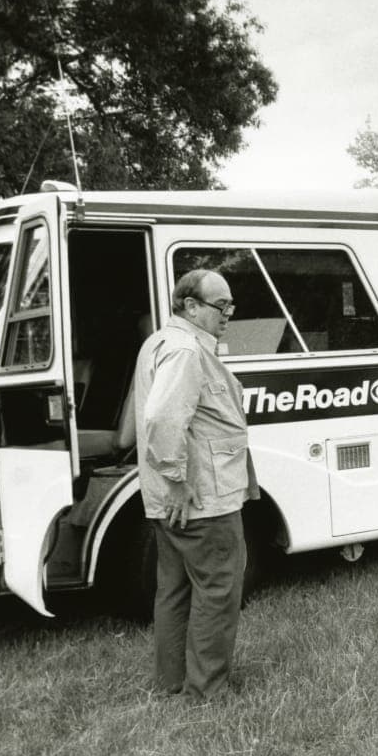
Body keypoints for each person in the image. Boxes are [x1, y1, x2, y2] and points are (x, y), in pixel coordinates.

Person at [132, 268, 258, 701]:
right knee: (218, 589)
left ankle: (173, 682)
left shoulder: (160, 342)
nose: (228, 314)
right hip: (202, 499)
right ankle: (208, 691)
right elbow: (163, 418)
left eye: (231, 306)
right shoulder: (186, 350)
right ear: (189, 305)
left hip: (174, 501)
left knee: (175, 589)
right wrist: (178, 480)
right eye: (220, 306)